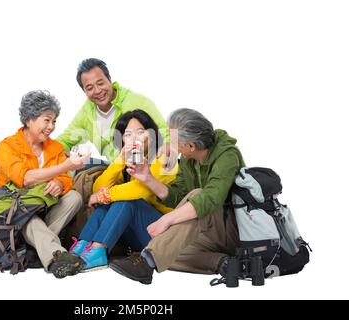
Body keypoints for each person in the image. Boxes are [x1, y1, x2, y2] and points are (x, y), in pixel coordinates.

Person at [108, 108, 245, 284]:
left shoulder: (227, 155)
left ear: (191, 146)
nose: (170, 145)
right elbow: (178, 197)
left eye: (174, 141)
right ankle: (222, 262)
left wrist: (167, 220)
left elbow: (211, 198)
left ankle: (147, 263)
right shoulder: (189, 159)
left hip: (229, 229)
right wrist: (148, 178)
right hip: (203, 232)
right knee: (167, 254)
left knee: (198, 195)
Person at [49, 110, 178, 278]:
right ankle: (80, 248)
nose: (134, 139)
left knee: (127, 202)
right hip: (140, 236)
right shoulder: (128, 160)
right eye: (128, 134)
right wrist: (120, 160)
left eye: (140, 132)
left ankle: (98, 251)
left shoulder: (163, 158)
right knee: (111, 203)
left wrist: (103, 196)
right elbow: (98, 187)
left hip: (164, 235)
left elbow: (140, 192)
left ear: (152, 136)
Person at [0, 90, 88, 272]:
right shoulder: (6, 147)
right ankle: (56, 257)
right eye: (47, 120)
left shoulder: (55, 147)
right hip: (15, 210)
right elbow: (25, 178)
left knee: (74, 197)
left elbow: (66, 179)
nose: (51, 126)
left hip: (44, 206)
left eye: (54, 121)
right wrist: (66, 166)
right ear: (29, 119)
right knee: (29, 217)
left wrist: (60, 184)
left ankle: (34, 250)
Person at [56, 58, 168, 163]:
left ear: (109, 79)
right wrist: (58, 154)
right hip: (113, 169)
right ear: (84, 91)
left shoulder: (137, 102)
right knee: (76, 168)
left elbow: (163, 131)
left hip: (142, 165)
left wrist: (166, 146)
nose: (97, 91)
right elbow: (64, 140)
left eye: (100, 83)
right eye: (90, 88)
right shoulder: (86, 113)